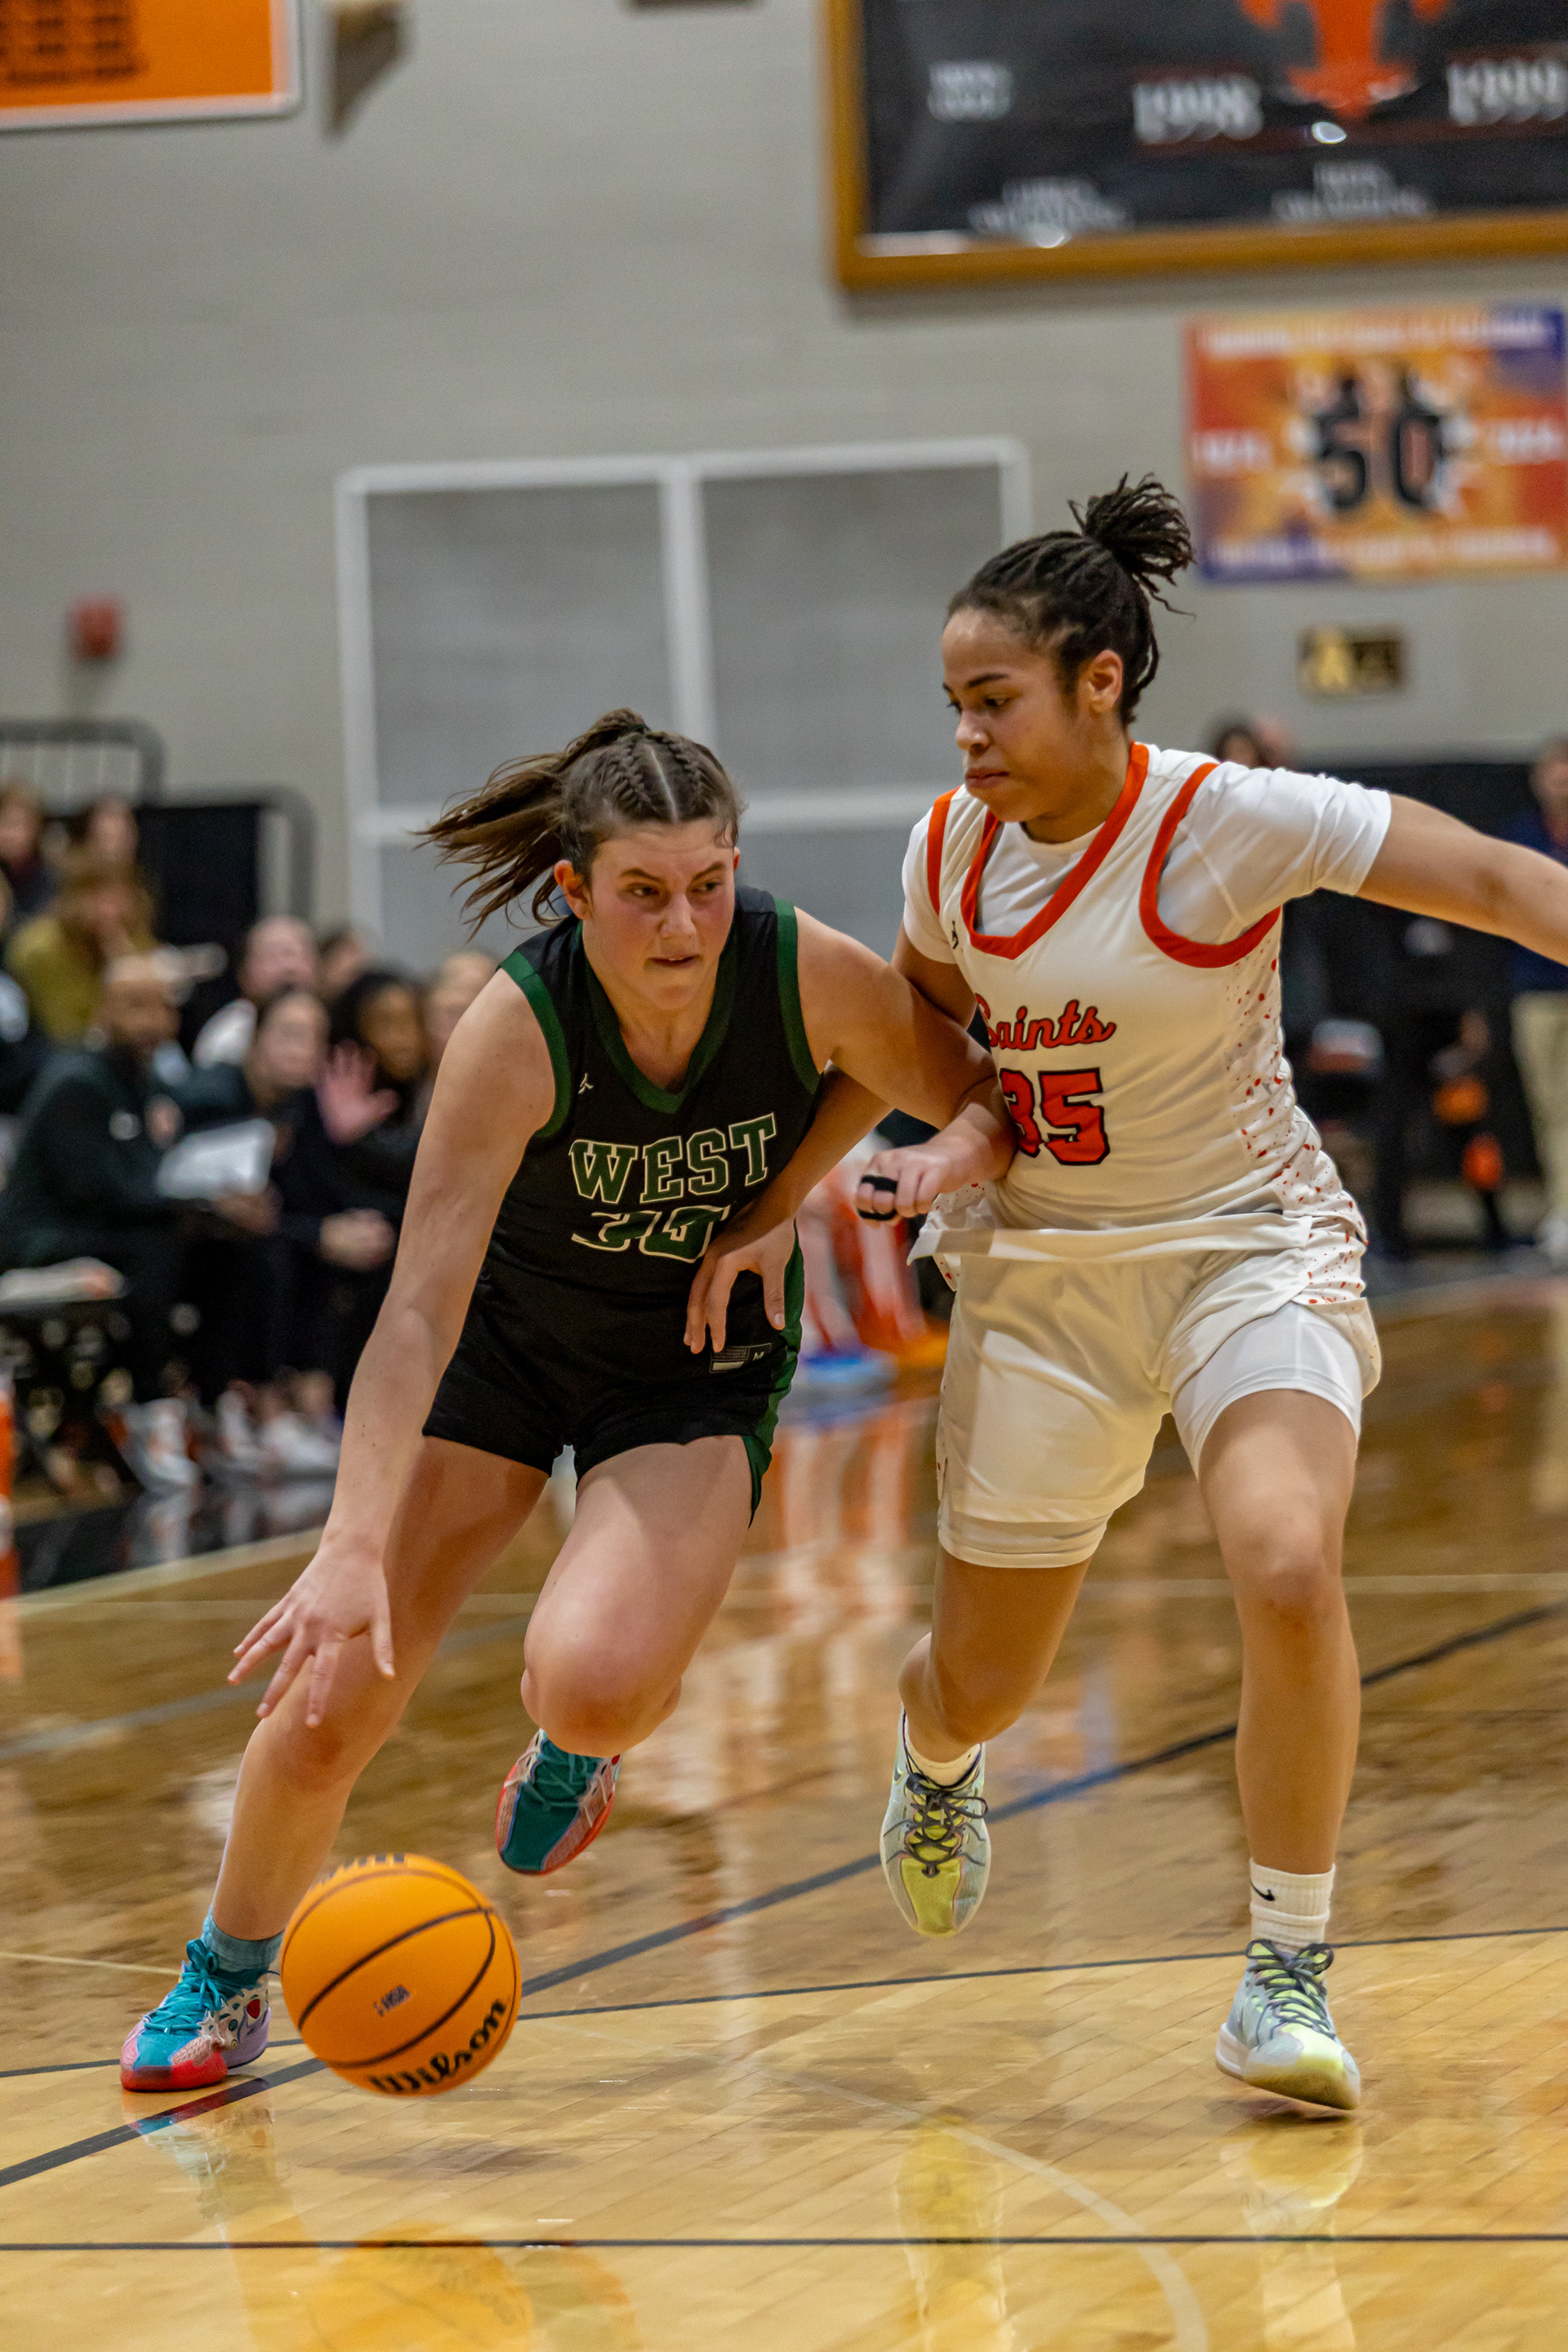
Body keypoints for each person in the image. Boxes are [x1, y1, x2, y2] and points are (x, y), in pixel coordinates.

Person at [702, 479, 1568, 2119]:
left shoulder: (1231, 821)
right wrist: (799, 1199)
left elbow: (1506, 887)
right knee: (982, 1681)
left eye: (993, 699)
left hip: (1249, 1244)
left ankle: (1284, 1971)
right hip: (1044, 1279)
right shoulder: (952, 849)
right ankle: (935, 1757)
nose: (967, 735)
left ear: (1100, 681)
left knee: (1287, 1559)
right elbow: (911, 1043)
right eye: (954, 705)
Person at [120, 707, 1009, 2092]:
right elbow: (416, 1311)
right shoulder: (517, 1026)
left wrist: (784, 1196)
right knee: (333, 1690)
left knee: (592, 1685)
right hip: (505, 1351)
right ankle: (226, 1978)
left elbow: (972, 1089)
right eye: (643, 892)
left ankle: (574, 1751)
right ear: (574, 890)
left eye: (708, 884)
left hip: (691, 1361)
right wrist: (348, 1545)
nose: (683, 926)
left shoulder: (794, 968)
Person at [0, 954, 271, 1487]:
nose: (150, 1021)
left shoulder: (147, 1081)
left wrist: (216, 1206)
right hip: (43, 1237)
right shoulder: (77, 1081)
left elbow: (156, 1177)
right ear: (103, 1011)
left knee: (231, 1246)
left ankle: (213, 1402)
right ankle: (150, 1409)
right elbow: (97, 1193)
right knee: (158, 1244)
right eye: (134, 1006)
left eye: (161, 1007)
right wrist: (201, 1204)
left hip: (111, 1226)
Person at [177, 988, 394, 1471]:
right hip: (192, 1239)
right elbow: (217, 1200)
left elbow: (316, 1192)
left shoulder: (302, 1105)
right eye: (290, 1035)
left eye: (315, 1038)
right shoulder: (215, 1096)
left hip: (266, 1232)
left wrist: (348, 1222)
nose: (303, 1050)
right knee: (266, 1256)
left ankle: (324, 1406)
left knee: (366, 1251)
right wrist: (319, 1234)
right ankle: (254, 1406)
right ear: (256, 1038)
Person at [1508, 737, 1568, 1265]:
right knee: (1551, 1109)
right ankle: (1563, 1211)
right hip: (1537, 990)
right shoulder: (1521, 838)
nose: (1561, 779)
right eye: (1553, 769)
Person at [6, 848, 157, 1042]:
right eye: (98, 897)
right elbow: (64, 1032)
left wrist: (125, 964)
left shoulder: (132, 937)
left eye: (120, 898)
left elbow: (154, 1019)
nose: (110, 911)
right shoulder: (40, 948)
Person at [191, 916, 320, 1068]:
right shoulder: (227, 1041)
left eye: (296, 954)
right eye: (273, 956)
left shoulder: (334, 1025)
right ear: (243, 974)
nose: (288, 967)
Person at [0, 782, 54, 924]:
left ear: (35, 829)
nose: (7, 834)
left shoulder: (50, 880)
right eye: (3, 823)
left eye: (15, 825)